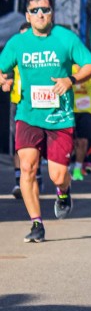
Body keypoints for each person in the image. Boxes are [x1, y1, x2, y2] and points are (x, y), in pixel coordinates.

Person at [0, 0, 91, 243]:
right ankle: (37, 223)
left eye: (45, 9)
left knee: (57, 176)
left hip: (59, 118)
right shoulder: (18, 43)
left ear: (52, 13)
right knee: (27, 168)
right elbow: (2, 68)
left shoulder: (65, 38)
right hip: (28, 115)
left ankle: (63, 192)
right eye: (35, 11)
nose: (40, 14)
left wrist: (71, 80)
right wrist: (3, 80)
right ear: (27, 15)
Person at [2, 22, 43, 198]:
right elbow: (5, 75)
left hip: (38, 104)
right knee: (18, 143)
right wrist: (5, 83)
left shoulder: (41, 56)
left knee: (36, 144)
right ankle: (19, 181)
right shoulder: (14, 54)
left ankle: (36, 176)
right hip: (18, 103)